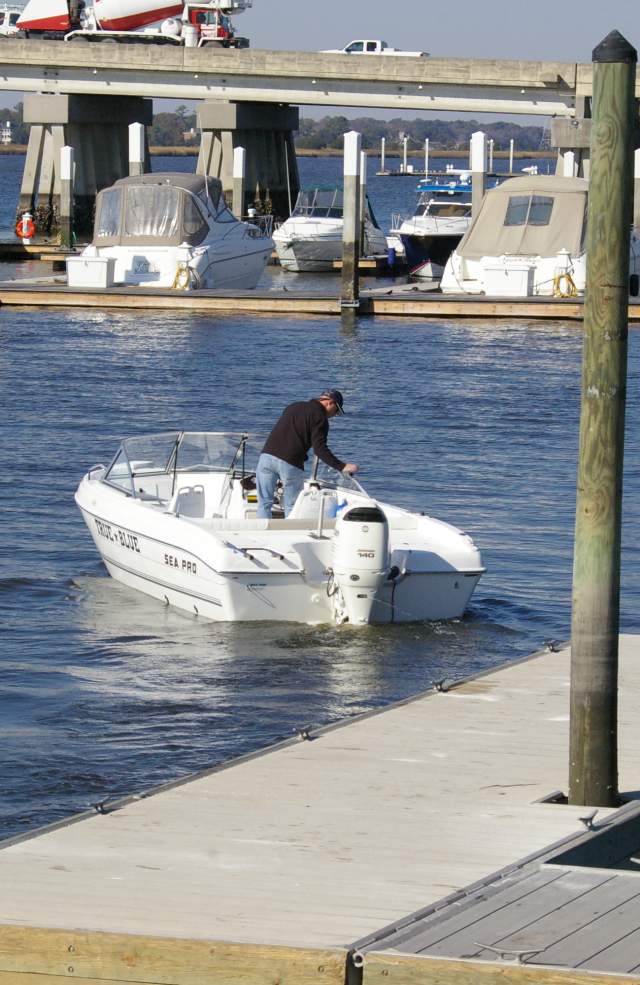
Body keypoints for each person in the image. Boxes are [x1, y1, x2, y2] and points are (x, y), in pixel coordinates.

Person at [256, 389, 359, 519]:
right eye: (336, 410)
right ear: (329, 403)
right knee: (292, 506)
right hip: (290, 462)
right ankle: (291, 537)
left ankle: (263, 532)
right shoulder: (320, 418)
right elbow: (320, 450)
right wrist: (342, 466)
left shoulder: (294, 406)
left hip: (266, 456)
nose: (335, 415)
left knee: (264, 503)